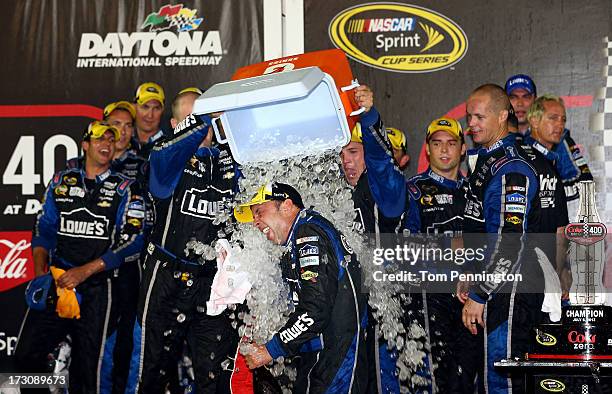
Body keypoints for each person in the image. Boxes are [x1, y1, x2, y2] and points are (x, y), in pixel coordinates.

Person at [15, 121, 149, 393]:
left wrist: (86, 271)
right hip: (59, 280)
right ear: (85, 145)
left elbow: (134, 241)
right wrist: (42, 274)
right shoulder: (61, 181)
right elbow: (43, 228)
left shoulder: (127, 188)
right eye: (100, 139)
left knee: (87, 371)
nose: (107, 144)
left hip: (99, 287)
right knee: (26, 357)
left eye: (111, 141)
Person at [128, 99, 241, 392]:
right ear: (178, 125)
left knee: (215, 375)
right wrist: (202, 118)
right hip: (167, 276)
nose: (208, 120)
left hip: (212, 283)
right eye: (195, 115)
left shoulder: (230, 161)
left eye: (212, 114)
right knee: (151, 372)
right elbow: (165, 152)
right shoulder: (166, 161)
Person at [234, 182, 368, 393]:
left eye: (259, 212)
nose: (255, 222)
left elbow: (315, 310)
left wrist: (270, 350)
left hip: (336, 355)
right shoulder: (299, 237)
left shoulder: (308, 232)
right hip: (322, 353)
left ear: (286, 206)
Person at [461, 84, 545, 394]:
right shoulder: (486, 160)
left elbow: (510, 244)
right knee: (487, 380)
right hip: (496, 285)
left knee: (502, 380)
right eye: (469, 117)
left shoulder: (512, 169)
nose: (472, 124)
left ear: (502, 116)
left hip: (511, 290)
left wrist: (479, 294)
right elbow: (480, 233)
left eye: (480, 117)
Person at [340, 86, 408, 393]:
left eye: (353, 152)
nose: (346, 162)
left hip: (388, 305)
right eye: (341, 155)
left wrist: (369, 116)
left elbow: (381, 162)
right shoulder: (339, 192)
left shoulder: (385, 189)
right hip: (355, 310)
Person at [403, 117, 470, 393]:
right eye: (437, 143)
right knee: (436, 379)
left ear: (463, 149)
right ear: (427, 149)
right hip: (431, 300)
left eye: (451, 143)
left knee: (468, 378)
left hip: (472, 300)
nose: (444, 150)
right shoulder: (414, 191)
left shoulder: (475, 190)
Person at [526, 94, 592, 217]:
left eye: (563, 119)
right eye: (553, 118)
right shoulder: (519, 150)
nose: (560, 125)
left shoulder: (565, 141)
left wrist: (549, 192)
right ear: (534, 121)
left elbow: (586, 182)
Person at [132, 82, 166, 159]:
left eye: (156, 108)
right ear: (134, 107)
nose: (150, 115)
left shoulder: (171, 145)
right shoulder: (122, 140)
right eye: (145, 107)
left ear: (162, 111)